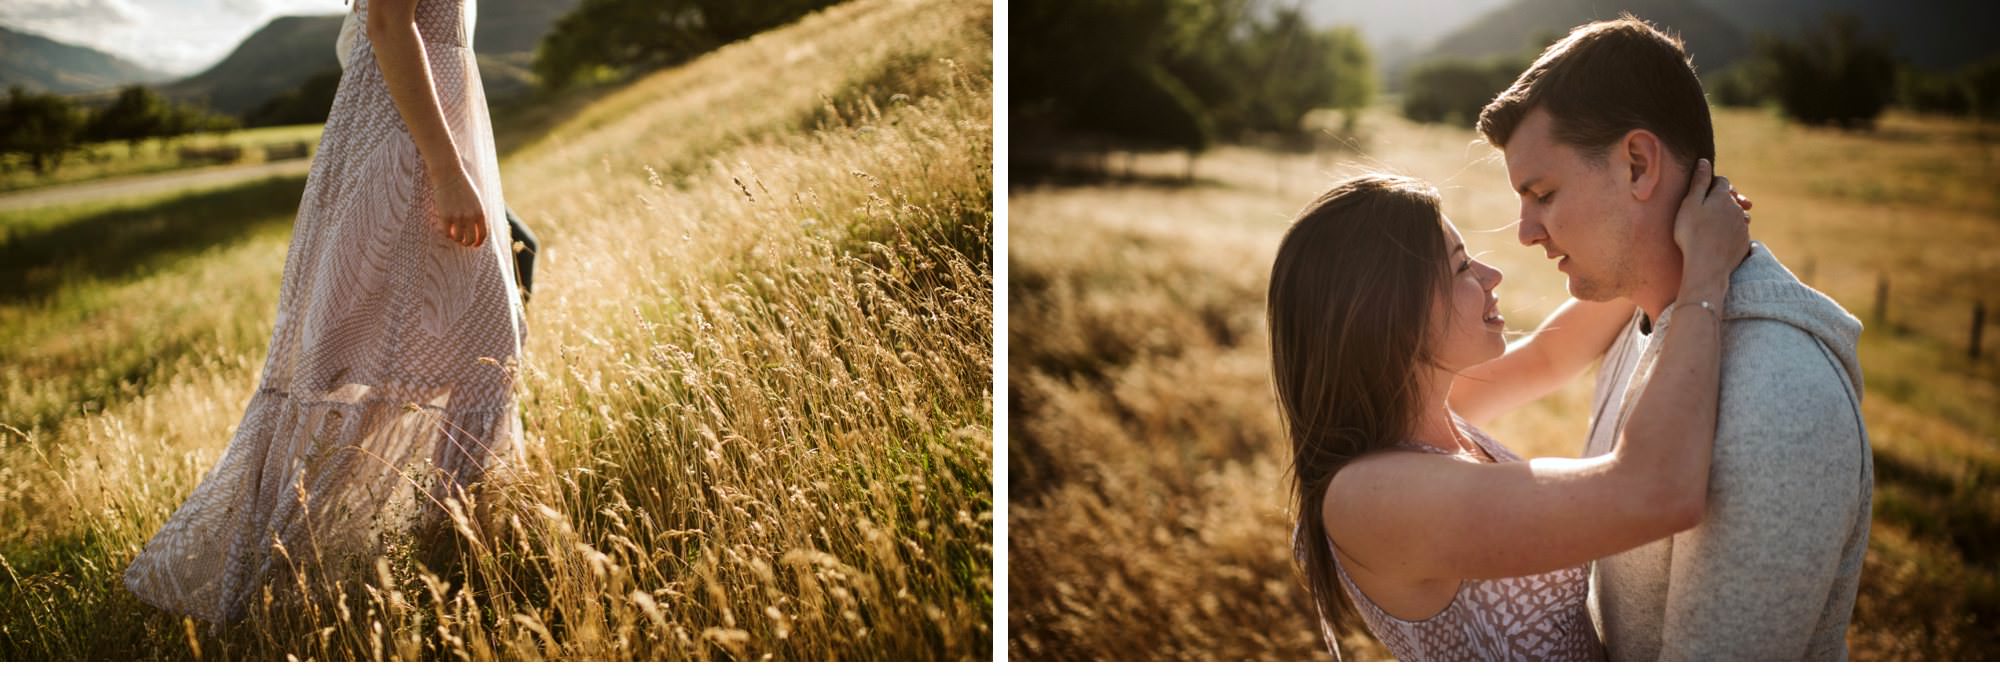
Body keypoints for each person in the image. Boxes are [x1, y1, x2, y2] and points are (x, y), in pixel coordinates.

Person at [1467, 17, 1872, 660]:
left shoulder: (1782, 397)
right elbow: (1539, 359)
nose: (1525, 232)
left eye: (1543, 194)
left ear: (1637, 164)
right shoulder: (1643, 315)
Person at [123, 0, 526, 624]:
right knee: (428, 353)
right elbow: (389, 27)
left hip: (430, 130)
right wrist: (445, 168)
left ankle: (448, 549)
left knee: (472, 350)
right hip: (413, 147)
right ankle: (276, 572)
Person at [1273, 166, 1747, 661]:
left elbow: (1552, 358)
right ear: (1389, 310)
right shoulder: (1370, 497)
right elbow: (1657, 491)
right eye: (1460, 268)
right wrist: (1705, 276)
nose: (1491, 274)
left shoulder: (1424, 417)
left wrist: (1662, 232)